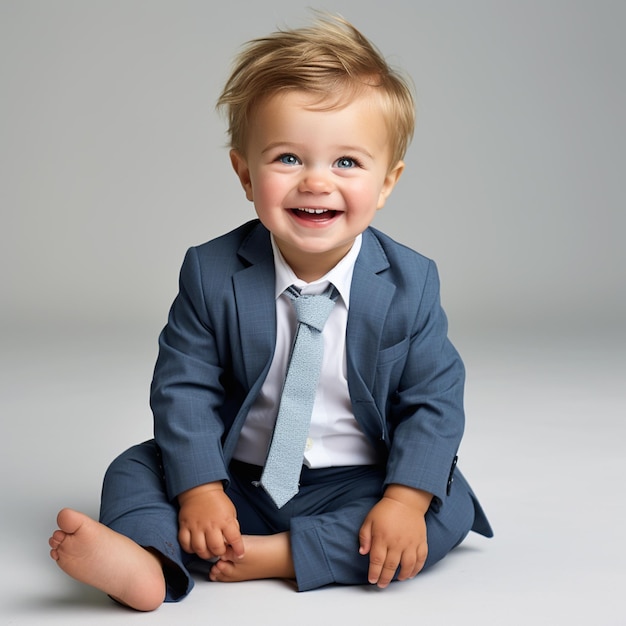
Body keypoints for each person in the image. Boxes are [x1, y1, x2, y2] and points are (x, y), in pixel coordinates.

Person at [49, 13, 492, 611]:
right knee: (137, 467)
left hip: (356, 479)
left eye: (346, 163)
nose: (315, 181)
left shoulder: (410, 283)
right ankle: (148, 562)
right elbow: (183, 388)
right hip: (240, 472)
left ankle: (277, 555)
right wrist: (203, 489)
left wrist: (404, 502)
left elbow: (435, 400)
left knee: (446, 502)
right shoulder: (211, 273)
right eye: (287, 158)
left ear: (387, 183)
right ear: (244, 173)